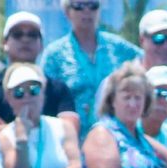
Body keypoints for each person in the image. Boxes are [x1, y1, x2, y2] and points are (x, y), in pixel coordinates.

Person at [41, 0, 139, 136]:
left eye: (93, 5)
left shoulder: (119, 47)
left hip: (116, 137)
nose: (87, 11)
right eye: (79, 6)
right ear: (67, 12)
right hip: (73, 139)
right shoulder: (54, 54)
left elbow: (147, 65)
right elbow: (44, 97)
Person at [0, 13, 78, 130]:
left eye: (32, 35)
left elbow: (69, 129)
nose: (25, 40)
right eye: (17, 35)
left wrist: (6, 129)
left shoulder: (58, 89)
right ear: (5, 43)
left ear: (41, 45)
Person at [0, 62, 82, 168]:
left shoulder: (63, 127)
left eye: (34, 90)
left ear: (43, 95)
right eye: (19, 92)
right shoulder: (4, 136)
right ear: (9, 98)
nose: (27, 97)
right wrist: (21, 141)